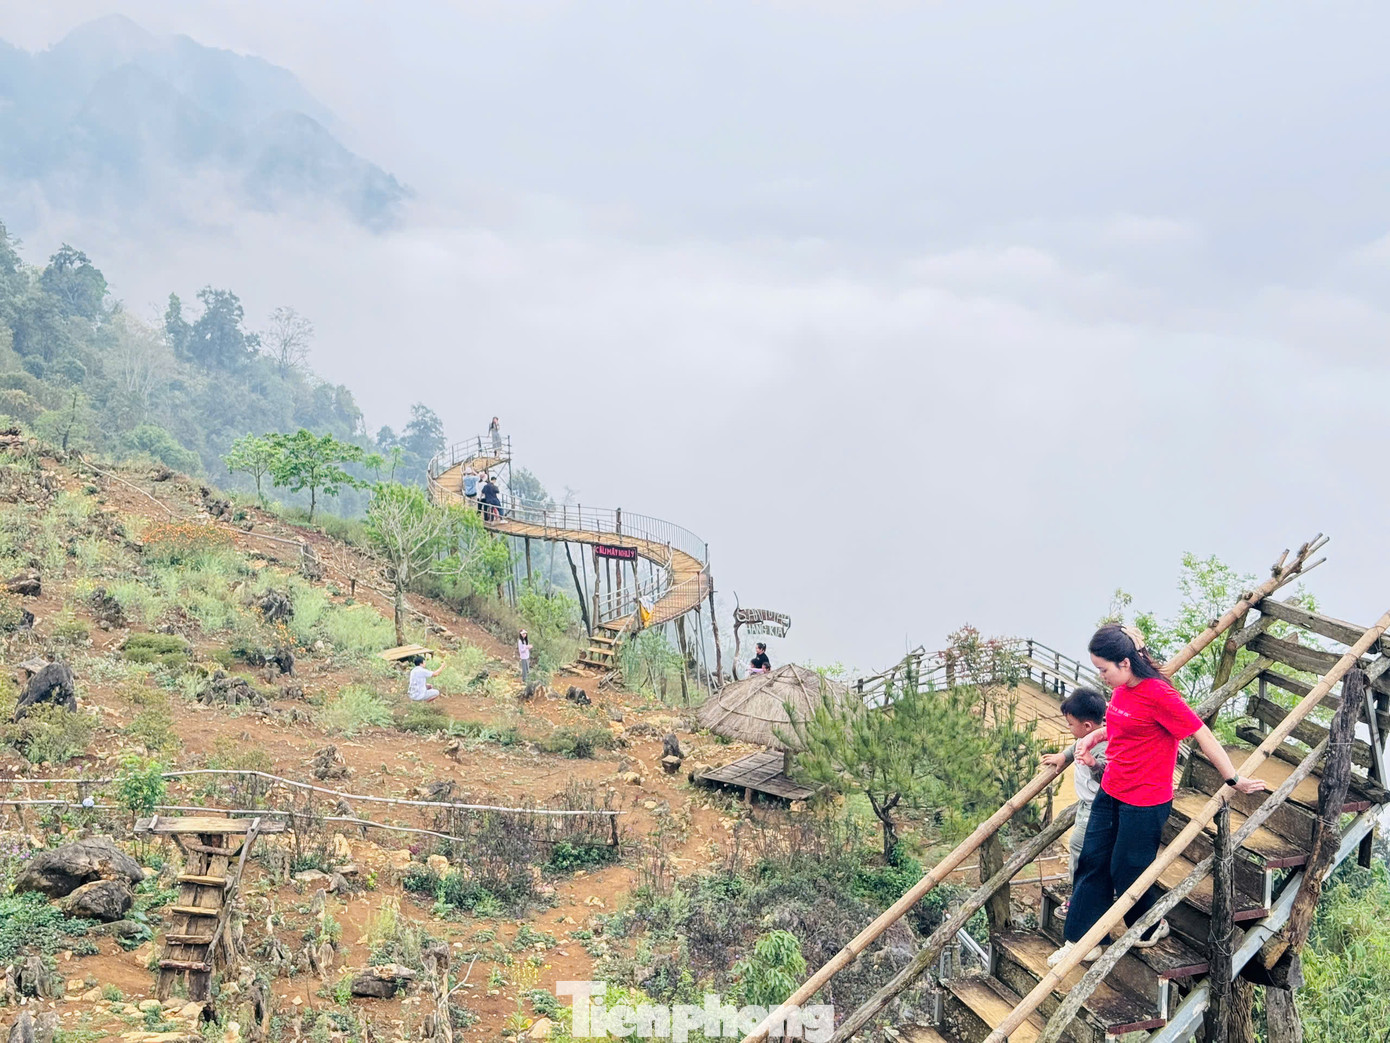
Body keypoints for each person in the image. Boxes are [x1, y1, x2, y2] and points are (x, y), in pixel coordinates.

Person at [1049, 624, 1267, 968]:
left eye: (1103, 669)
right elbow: (1129, 724)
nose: (1101, 677)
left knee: (1127, 869)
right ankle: (1083, 941)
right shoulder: (1123, 688)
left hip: (1145, 801)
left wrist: (1233, 777)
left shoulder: (1159, 695)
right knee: (1093, 861)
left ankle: (1151, 926)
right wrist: (1096, 736)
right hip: (1112, 789)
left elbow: (1201, 733)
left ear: (1124, 663)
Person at [1040, 687, 1109, 912]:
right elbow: (1077, 743)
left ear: (1087, 726)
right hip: (1085, 804)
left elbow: (1107, 776)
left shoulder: (1105, 747)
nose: (1068, 728)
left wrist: (1092, 764)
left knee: (1078, 849)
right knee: (1086, 850)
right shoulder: (1088, 737)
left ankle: (1078, 897)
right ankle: (1085, 892)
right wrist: (1064, 756)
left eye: (1070, 724)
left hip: (1096, 807)